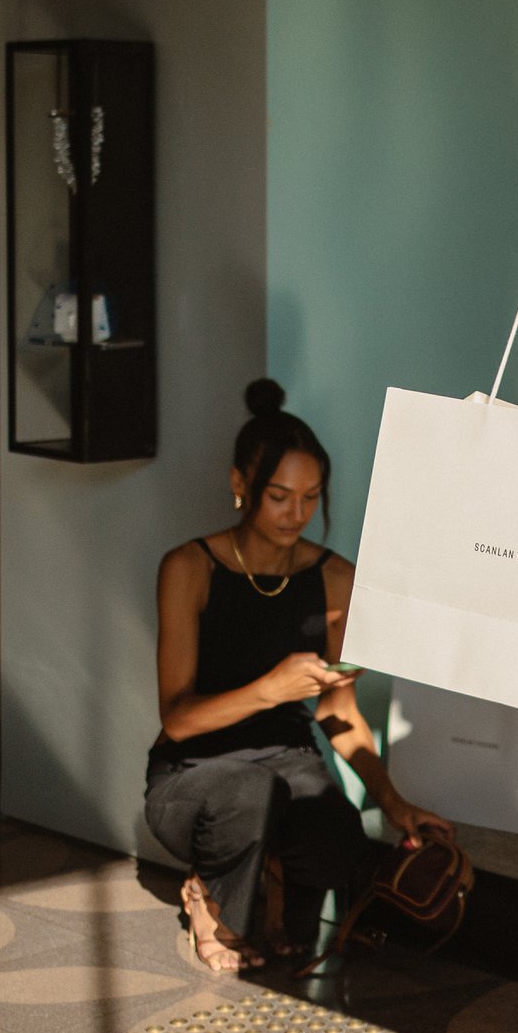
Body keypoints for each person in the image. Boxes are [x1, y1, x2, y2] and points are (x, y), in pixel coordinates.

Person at [146, 380, 452, 973]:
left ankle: (278, 874)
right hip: (193, 772)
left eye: (311, 498)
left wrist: (392, 803)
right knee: (247, 794)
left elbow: (339, 711)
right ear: (241, 486)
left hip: (286, 763)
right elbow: (177, 720)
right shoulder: (189, 568)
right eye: (280, 496)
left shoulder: (335, 578)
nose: (297, 514)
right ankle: (208, 897)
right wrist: (268, 689)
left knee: (336, 840)